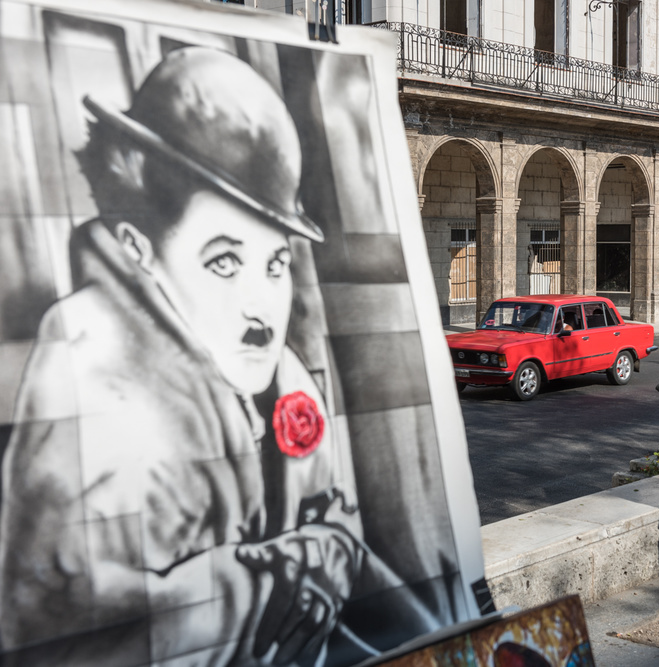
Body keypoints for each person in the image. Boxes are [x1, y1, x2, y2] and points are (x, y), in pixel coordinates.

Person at [0, 47, 432, 666]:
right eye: (224, 261)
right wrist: (273, 581)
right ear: (140, 247)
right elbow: (56, 622)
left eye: (275, 263)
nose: (262, 308)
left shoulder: (279, 371)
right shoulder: (85, 360)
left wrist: (310, 564)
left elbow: (336, 519)